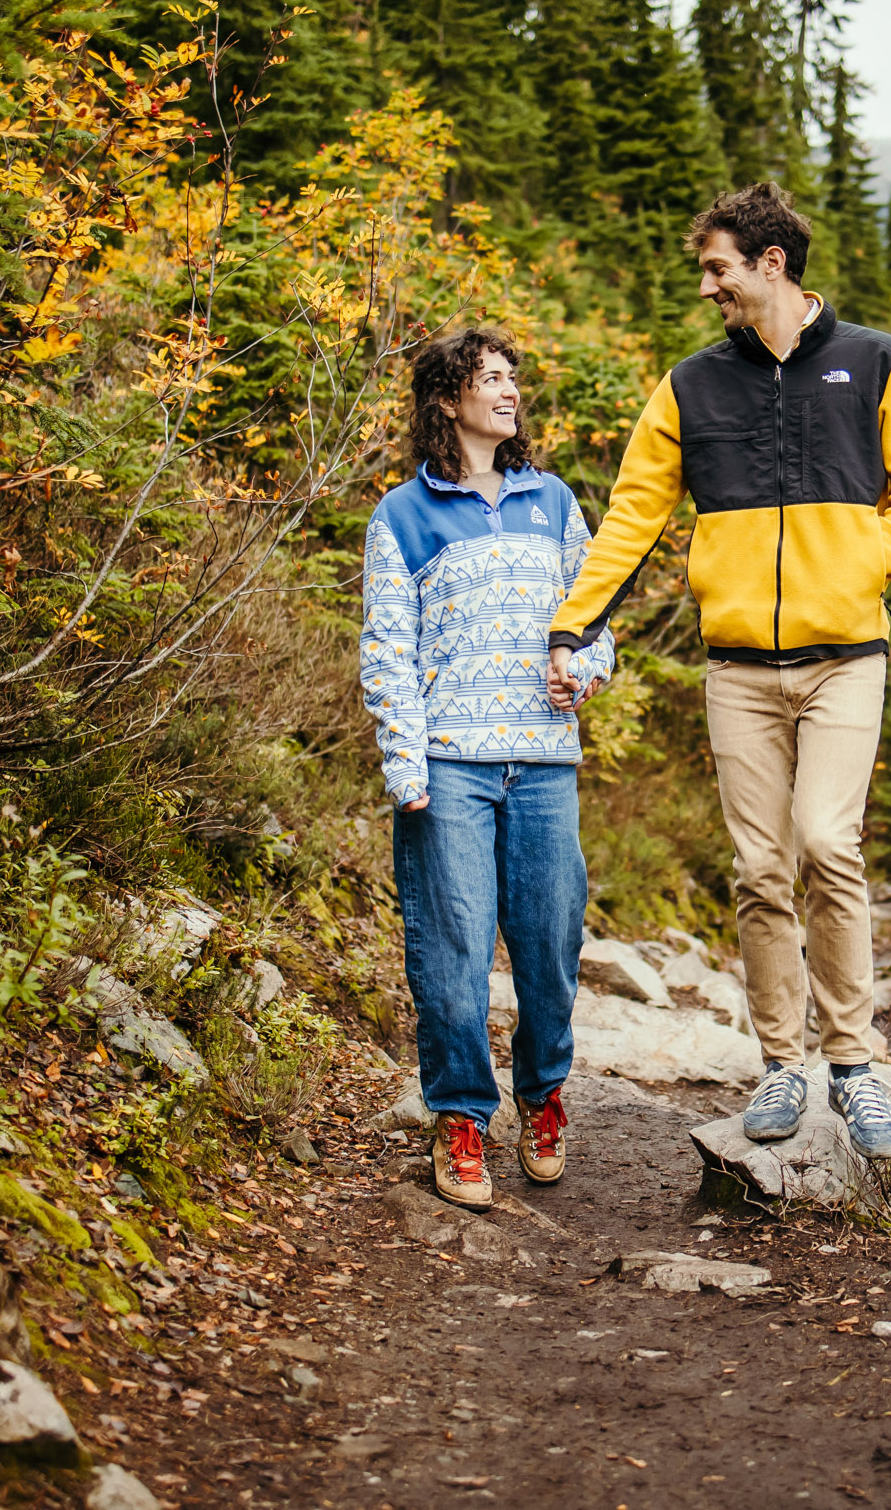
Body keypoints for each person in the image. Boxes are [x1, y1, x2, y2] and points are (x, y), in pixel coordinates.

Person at [546, 183, 891, 1159]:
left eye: (718, 269)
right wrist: (572, 625)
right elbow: (632, 518)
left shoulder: (876, 362)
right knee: (761, 866)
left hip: (845, 655)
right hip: (736, 668)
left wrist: (862, 568)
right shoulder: (690, 384)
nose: (706, 287)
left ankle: (852, 1065)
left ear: (772, 264)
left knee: (826, 842)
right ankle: (780, 1061)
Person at [361, 326, 614, 1208]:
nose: (510, 391)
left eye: (513, 377)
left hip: (544, 762)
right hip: (450, 765)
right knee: (455, 951)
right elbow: (387, 648)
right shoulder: (402, 514)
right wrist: (407, 764)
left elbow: (594, 620)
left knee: (550, 944)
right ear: (447, 400)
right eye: (491, 378)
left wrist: (580, 667)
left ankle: (543, 1097)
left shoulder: (553, 501)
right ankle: (462, 1117)